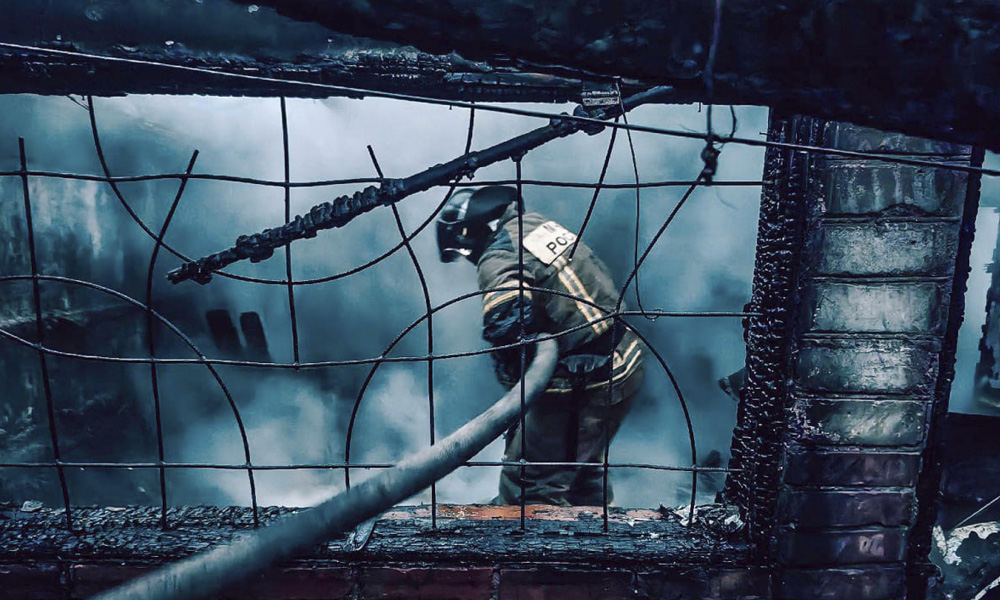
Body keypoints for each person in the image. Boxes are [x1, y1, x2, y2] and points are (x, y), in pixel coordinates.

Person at [436, 186, 644, 506]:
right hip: (623, 360)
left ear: (470, 237)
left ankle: (536, 551)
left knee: (528, 486)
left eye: (463, 252)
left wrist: (518, 381)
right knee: (582, 472)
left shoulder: (498, 255)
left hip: (582, 383)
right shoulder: (534, 224)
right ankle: (599, 543)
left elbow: (506, 322)